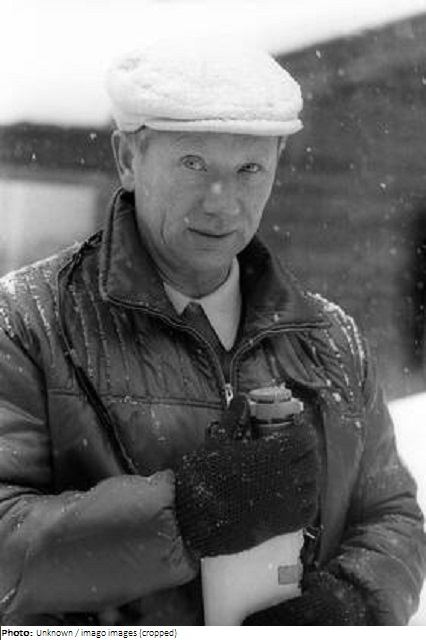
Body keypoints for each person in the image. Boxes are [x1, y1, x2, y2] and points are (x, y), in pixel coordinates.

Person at [0, 38, 425, 627]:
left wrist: (356, 603)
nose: (221, 202)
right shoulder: (27, 322)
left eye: (249, 169)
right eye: (193, 163)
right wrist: (186, 514)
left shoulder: (330, 338)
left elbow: (392, 513)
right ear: (127, 158)